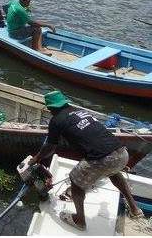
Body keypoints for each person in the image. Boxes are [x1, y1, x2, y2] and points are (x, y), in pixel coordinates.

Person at [29, 90, 143, 231]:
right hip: (122, 153)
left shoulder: (56, 120)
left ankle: (80, 221)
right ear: (65, 103)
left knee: (75, 181)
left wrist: (36, 158)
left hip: (103, 159)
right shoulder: (80, 112)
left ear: (51, 108)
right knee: (113, 172)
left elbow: (50, 148)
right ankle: (135, 209)